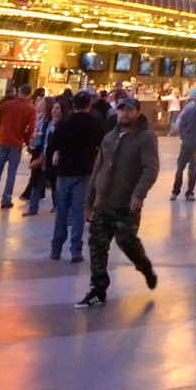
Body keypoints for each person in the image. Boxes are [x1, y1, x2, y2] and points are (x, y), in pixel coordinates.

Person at [78, 96, 159, 308]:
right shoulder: (109, 137)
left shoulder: (145, 138)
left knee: (126, 241)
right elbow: (98, 169)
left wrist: (138, 194)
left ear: (138, 113)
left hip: (126, 204)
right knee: (96, 245)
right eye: (121, 110)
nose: (125, 114)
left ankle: (144, 266)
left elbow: (150, 168)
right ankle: (98, 288)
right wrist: (89, 201)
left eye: (129, 110)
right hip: (103, 203)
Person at [47, 91, 103, 263]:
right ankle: (75, 251)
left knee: (61, 212)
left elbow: (52, 147)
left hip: (64, 172)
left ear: (72, 105)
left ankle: (56, 250)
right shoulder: (94, 123)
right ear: (89, 105)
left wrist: (50, 171)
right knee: (79, 213)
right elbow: (102, 146)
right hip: (85, 172)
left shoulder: (64, 123)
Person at [0, 84, 37, 209]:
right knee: (12, 172)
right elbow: (31, 127)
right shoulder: (30, 109)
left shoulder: (8, 105)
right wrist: (25, 137)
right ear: (29, 94)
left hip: (3, 141)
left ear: (18, 92)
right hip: (17, 143)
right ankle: (6, 199)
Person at [169, 89, 196, 201]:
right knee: (180, 168)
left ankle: (190, 192)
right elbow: (181, 125)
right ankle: (175, 191)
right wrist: (184, 137)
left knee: (194, 170)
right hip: (187, 144)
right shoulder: (190, 111)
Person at [23, 93, 59, 215]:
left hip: (52, 157)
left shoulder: (58, 124)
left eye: (57, 108)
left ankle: (56, 205)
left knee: (54, 183)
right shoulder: (44, 122)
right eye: (53, 108)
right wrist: (34, 143)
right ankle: (33, 207)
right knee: (37, 181)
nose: (54, 111)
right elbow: (40, 138)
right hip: (41, 155)